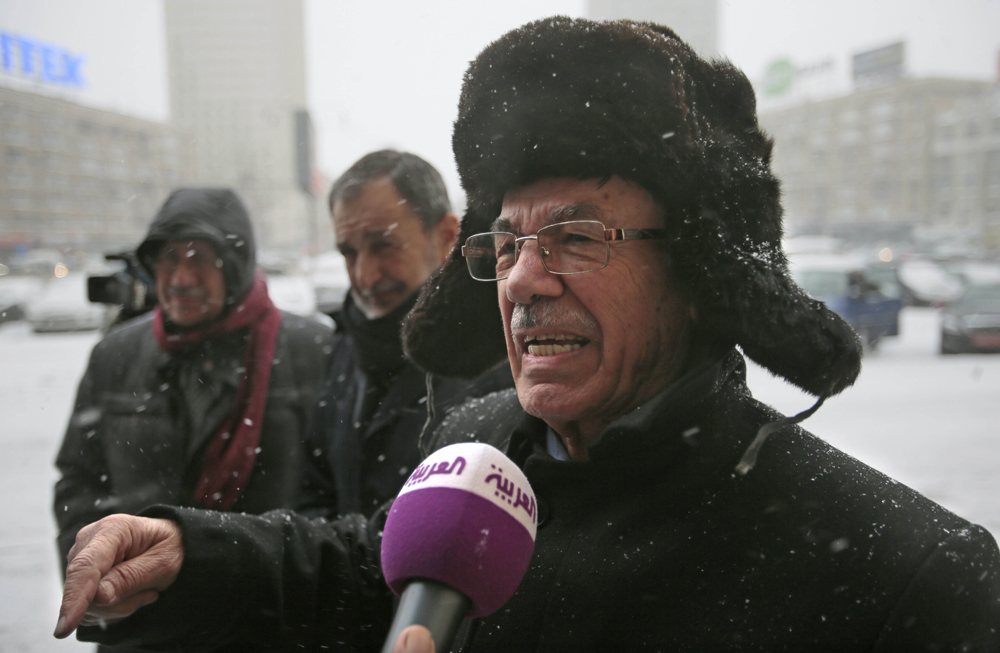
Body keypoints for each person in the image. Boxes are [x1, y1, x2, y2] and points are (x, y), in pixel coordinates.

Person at [54, 18, 1000, 653]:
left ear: (702, 273)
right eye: (505, 244)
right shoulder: (477, 445)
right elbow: (368, 565)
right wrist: (195, 550)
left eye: (578, 237)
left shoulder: (912, 580)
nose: (522, 279)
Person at [53, 187, 333, 564]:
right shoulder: (115, 355)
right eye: (169, 257)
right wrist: (95, 575)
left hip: (268, 605)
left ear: (234, 266)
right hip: (144, 609)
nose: (181, 278)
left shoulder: (313, 351)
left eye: (199, 258)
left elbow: (334, 491)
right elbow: (79, 482)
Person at [296, 149, 513, 519]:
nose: (365, 276)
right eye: (349, 253)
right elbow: (315, 494)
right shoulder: (345, 349)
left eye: (384, 246)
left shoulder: (499, 357)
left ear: (447, 235)